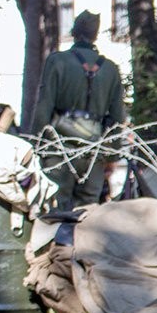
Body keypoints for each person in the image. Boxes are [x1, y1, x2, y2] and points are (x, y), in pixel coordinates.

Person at [30, 11, 127, 211]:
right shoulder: (110, 69)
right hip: (94, 148)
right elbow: (118, 117)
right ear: (95, 34)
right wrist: (112, 155)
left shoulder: (57, 61)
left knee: (55, 209)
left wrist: (36, 145)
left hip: (59, 147)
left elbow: (44, 106)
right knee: (88, 211)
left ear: (74, 32)